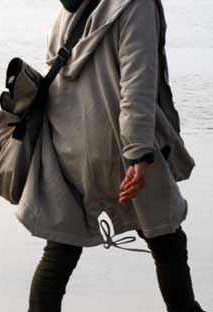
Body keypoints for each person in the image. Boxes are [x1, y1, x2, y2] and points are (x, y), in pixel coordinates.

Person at [15, 0, 206, 311]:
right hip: (119, 143)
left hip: (68, 144)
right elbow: (137, 86)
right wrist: (139, 154)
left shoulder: (68, 6)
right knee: (166, 238)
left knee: (62, 246)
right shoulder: (136, 5)